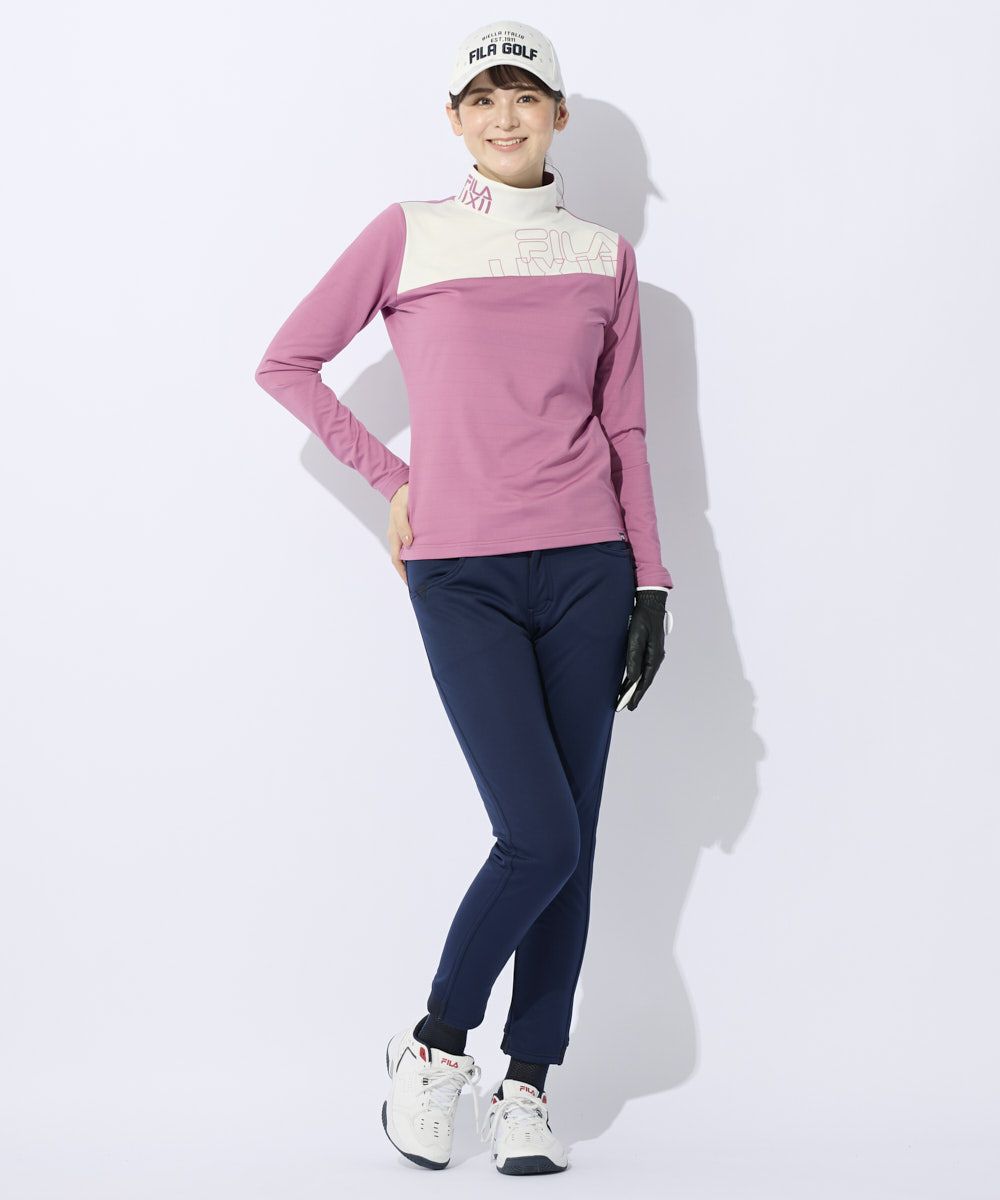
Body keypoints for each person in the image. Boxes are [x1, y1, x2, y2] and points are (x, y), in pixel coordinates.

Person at [254, 18, 674, 1176]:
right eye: (482, 99)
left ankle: (528, 1081)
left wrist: (649, 578)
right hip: (461, 570)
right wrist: (395, 479)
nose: (503, 117)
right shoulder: (410, 233)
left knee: (571, 841)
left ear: (557, 116)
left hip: (588, 565)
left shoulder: (602, 255)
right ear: (453, 119)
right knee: (537, 836)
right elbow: (287, 362)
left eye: (524, 97)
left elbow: (626, 428)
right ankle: (436, 1046)